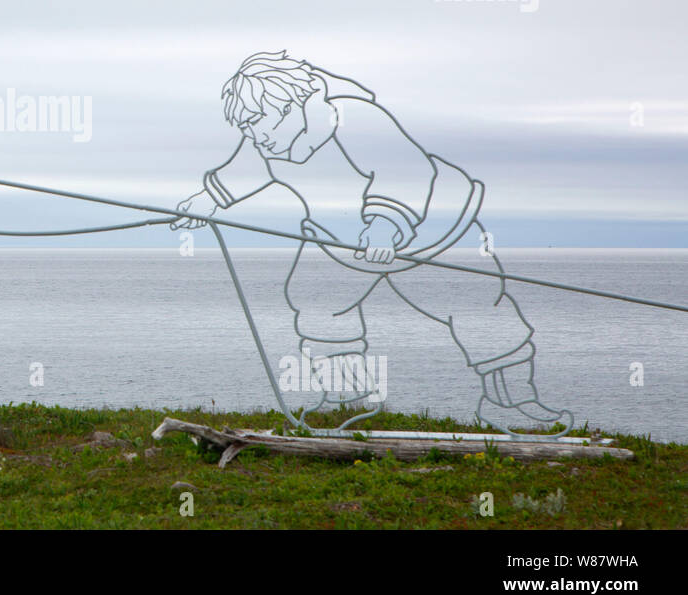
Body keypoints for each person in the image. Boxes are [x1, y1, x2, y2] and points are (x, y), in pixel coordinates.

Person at [173, 50, 571, 434]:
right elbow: (239, 172)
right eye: (246, 126)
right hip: (342, 243)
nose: (253, 134)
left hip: (432, 233)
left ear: (291, 105)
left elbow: (406, 170)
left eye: (258, 121)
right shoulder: (266, 143)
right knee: (319, 303)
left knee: (477, 306)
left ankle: (512, 402)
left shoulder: (355, 116)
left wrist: (384, 225)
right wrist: (203, 201)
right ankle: (349, 401)